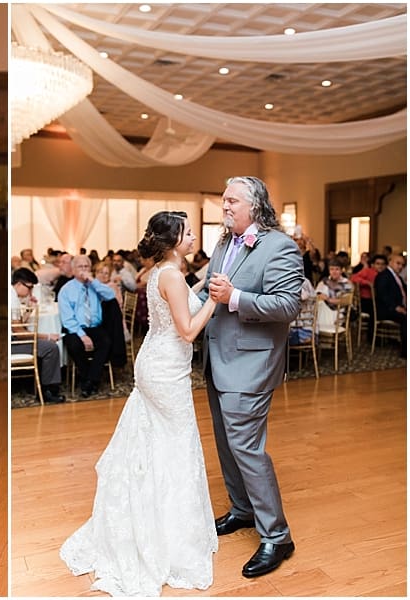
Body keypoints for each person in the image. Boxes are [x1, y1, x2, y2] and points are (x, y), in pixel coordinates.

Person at [61, 211, 220, 596]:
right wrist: (215, 301)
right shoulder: (172, 276)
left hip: (154, 362)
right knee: (176, 443)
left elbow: (180, 300)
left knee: (154, 441)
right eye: (188, 232)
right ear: (173, 240)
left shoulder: (159, 272)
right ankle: (167, 532)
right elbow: (188, 331)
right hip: (167, 369)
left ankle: (148, 516)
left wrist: (204, 284)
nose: (193, 237)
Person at [200, 176, 301, 578]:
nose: (224, 206)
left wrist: (236, 298)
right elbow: (210, 292)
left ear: (255, 206)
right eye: (223, 200)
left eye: (232, 201)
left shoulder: (280, 246)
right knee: (227, 445)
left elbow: (288, 305)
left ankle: (277, 536)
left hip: (250, 364)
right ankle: (242, 510)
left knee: (246, 448)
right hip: (216, 359)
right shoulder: (223, 243)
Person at [58, 254, 117, 398]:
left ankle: (90, 381)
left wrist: (93, 281)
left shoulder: (95, 286)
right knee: (74, 345)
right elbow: (67, 319)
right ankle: (88, 378)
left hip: (95, 327)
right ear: (73, 270)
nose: (84, 270)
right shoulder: (66, 290)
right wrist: (82, 335)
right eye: (80, 267)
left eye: (86, 266)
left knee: (106, 342)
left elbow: (110, 295)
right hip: (76, 328)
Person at [10, 268, 65, 404]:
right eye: (29, 288)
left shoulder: (13, 296)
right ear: (19, 284)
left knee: (48, 347)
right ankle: (47, 390)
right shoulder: (12, 298)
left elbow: (18, 325)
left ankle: (47, 386)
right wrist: (47, 336)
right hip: (12, 343)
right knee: (50, 348)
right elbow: (18, 332)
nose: (30, 292)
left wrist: (29, 310)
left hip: (13, 340)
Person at [374, 253, 407, 356]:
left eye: (402, 265)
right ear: (390, 262)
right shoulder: (384, 276)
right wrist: (396, 307)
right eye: (398, 263)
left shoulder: (397, 277)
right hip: (386, 309)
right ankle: (405, 351)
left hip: (397, 307)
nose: (400, 267)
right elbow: (382, 295)